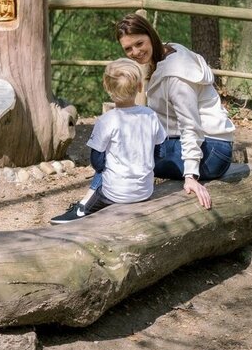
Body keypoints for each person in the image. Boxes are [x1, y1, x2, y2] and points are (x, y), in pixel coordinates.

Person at [115, 12, 236, 210]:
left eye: (139, 43)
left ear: (150, 35)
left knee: (125, 154)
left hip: (211, 152)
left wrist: (190, 176)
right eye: (128, 48)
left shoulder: (176, 74)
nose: (135, 52)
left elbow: (190, 125)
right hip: (209, 146)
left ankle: (102, 203)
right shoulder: (167, 52)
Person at [51, 59, 165, 223]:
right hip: (145, 191)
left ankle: (83, 208)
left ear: (107, 87)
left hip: (115, 193)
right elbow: (160, 151)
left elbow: (96, 161)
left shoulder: (106, 120)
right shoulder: (150, 115)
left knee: (103, 169)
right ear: (140, 86)